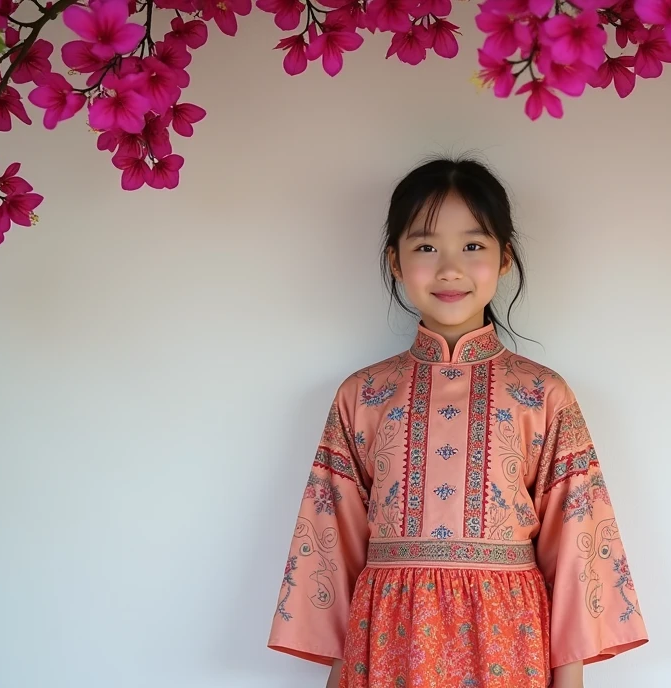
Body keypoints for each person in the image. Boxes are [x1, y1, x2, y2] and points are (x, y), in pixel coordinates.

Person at [267, 155, 648, 688]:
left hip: (508, 645)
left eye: (473, 246)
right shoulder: (364, 394)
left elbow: (577, 544)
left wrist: (570, 678)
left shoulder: (541, 394)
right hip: (386, 645)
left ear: (505, 257)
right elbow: (330, 548)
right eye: (425, 246)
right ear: (395, 261)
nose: (449, 268)